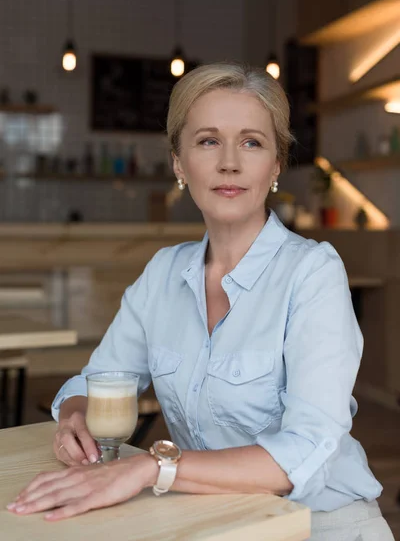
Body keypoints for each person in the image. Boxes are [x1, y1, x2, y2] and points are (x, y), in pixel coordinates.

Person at [7, 63, 394, 540]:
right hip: (214, 524)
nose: (229, 162)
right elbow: (99, 380)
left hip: (321, 527)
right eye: (208, 141)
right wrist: (74, 420)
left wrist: (152, 468)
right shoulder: (163, 273)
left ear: (276, 164)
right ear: (178, 162)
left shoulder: (313, 273)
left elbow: (303, 450)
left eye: (252, 142)